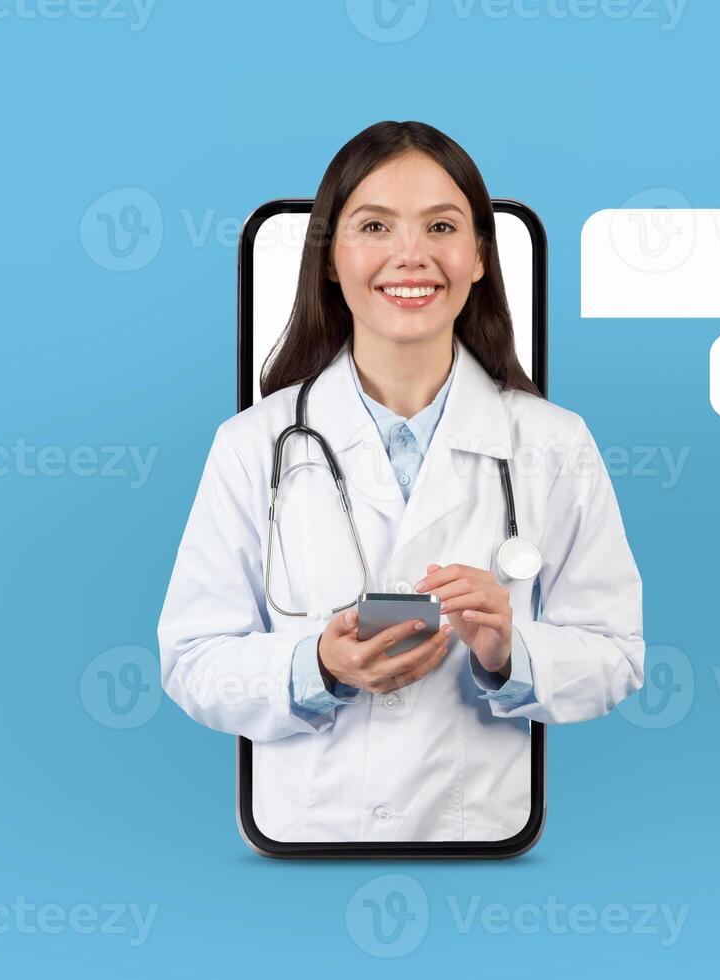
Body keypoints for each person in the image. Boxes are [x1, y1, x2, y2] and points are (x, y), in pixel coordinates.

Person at [158, 121, 644, 843]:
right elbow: (192, 661)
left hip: (481, 837)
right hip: (306, 836)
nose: (410, 255)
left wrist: (509, 651)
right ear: (329, 258)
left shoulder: (553, 443)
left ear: (479, 255)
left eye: (441, 225)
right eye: (374, 225)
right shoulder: (251, 445)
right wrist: (316, 666)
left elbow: (616, 655)